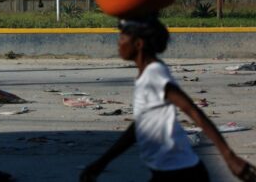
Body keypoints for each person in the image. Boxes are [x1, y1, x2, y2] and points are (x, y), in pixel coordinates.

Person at [80, 14, 254, 182]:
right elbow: (139, 126)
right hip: (168, 170)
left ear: (139, 44)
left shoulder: (154, 75)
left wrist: (229, 157)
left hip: (182, 173)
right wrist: (102, 162)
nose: (118, 44)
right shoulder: (146, 74)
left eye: (123, 38)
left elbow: (192, 110)